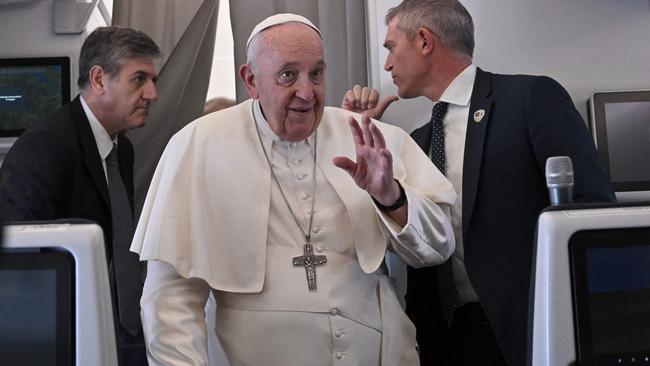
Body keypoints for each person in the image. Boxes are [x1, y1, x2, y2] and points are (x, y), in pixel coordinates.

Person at [131, 13, 457, 366]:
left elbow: (437, 248)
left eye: (316, 73)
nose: (306, 91)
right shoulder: (197, 145)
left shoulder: (368, 138)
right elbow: (170, 297)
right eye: (288, 74)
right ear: (251, 79)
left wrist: (392, 197)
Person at [341, 1, 616, 365]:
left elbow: (595, 216)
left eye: (391, 48)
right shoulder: (414, 142)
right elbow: (392, 236)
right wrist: (363, 133)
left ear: (425, 41)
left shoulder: (529, 100)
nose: (387, 64)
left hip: (528, 335)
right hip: (445, 341)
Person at [0, 26, 161, 366]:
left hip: (124, 322)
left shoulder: (123, 149)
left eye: (153, 81)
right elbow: (24, 262)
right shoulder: (44, 147)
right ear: (99, 79)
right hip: (72, 329)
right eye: (139, 79)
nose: (152, 93)